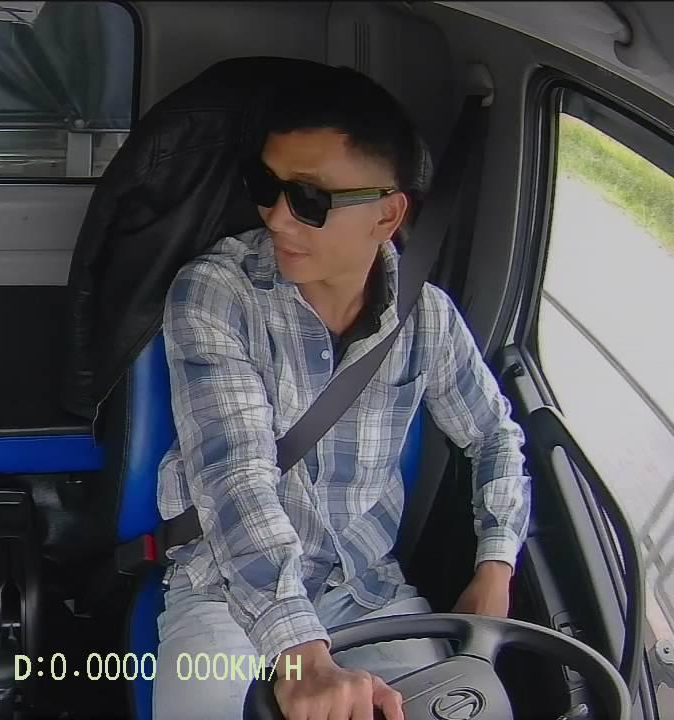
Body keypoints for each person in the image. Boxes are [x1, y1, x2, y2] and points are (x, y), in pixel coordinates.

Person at [152, 66, 531, 720]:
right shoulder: (217, 292)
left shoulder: (428, 319)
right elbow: (235, 474)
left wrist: (495, 564)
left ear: (387, 214)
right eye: (266, 187)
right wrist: (301, 654)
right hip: (223, 592)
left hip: (367, 590)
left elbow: (493, 433)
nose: (277, 216)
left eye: (309, 198)